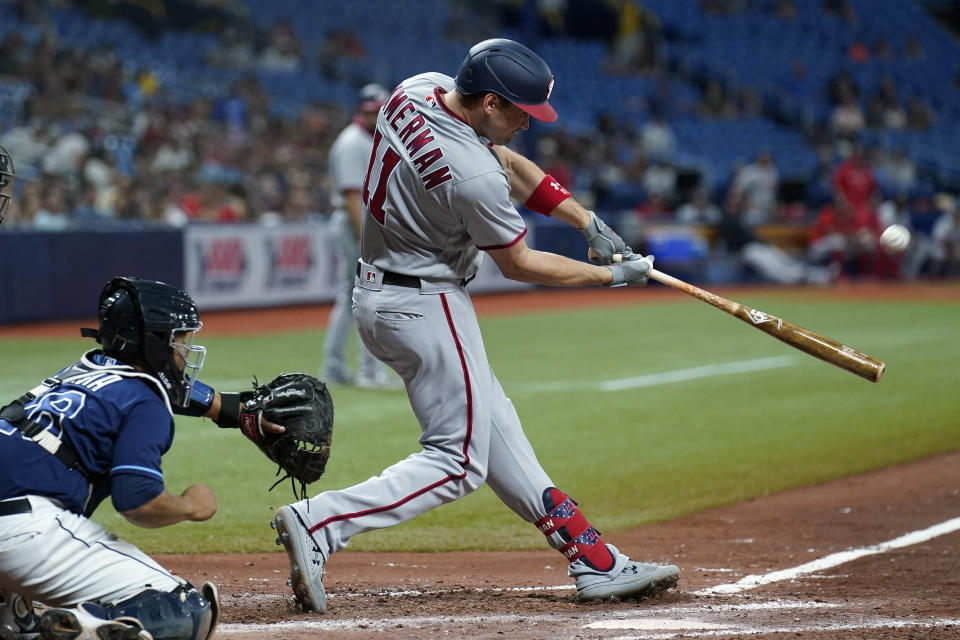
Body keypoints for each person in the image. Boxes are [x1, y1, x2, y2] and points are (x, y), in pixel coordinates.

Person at [271, 37, 677, 614]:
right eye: (520, 112)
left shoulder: (416, 89)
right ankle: (322, 522)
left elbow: (506, 161)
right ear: (489, 101)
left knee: (497, 429)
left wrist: (585, 219)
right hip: (426, 303)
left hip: (384, 292)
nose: (527, 125)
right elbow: (519, 262)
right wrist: (610, 277)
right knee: (458, 460)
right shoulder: (471, 176)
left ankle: (592, 558)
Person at [0, 274, 277, 640]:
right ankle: (85, 631)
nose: (184, 349)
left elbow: (169, 391)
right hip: (19, 533)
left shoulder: (82, 371)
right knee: (179, 609)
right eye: (179, 339)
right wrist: (190, 506)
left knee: (17, 621)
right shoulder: (145, 404)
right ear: (155, 342)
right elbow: (137, 503)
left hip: (12, 513)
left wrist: (232, 408)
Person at [320, 83, 397, 388]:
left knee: (353, 298)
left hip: (360, 223)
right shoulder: (353, 142)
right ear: (359, 111)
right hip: (356, 225)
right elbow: (353, 197)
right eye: (369, 110)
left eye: (378, 110)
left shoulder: (370, 139)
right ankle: (367, 371)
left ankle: (337, 367)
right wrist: (369, 239)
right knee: (367, 297)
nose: (373, 115)